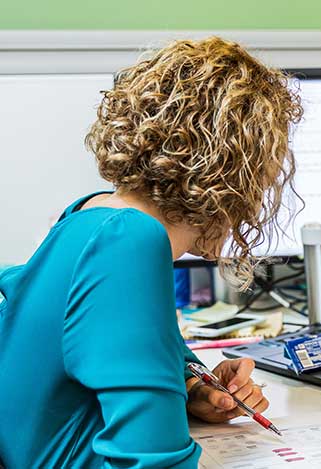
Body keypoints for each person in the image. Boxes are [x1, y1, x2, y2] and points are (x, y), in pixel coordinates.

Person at [0, 37, 302, 467]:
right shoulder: (129, 240)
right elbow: (151, 461)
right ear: (235, 172)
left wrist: (191, 391)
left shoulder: (90, 214)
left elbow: (91, 356)